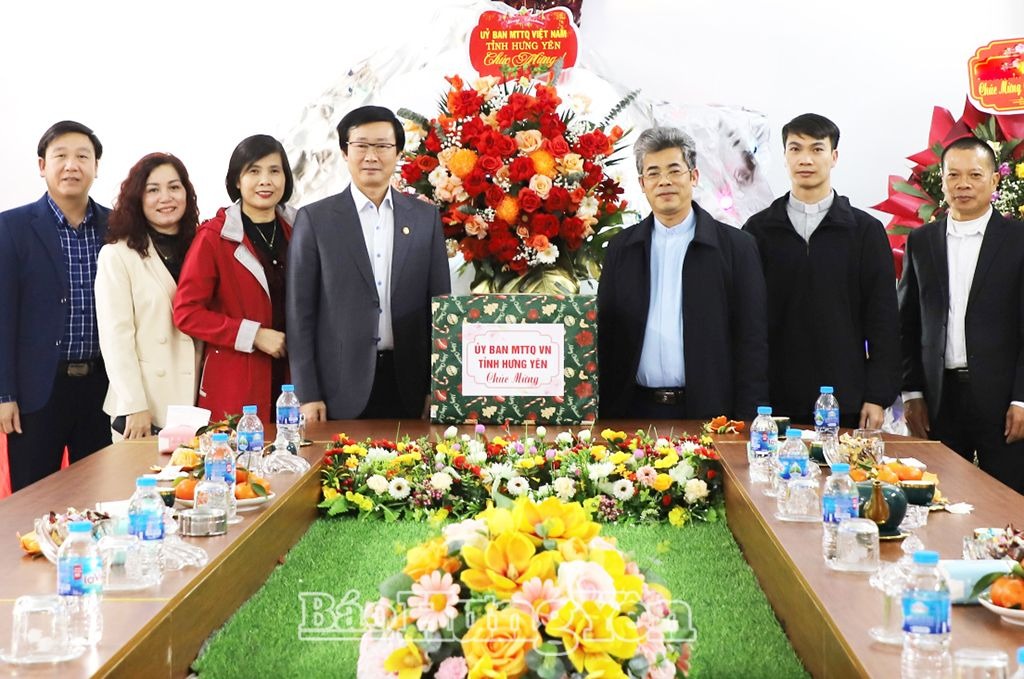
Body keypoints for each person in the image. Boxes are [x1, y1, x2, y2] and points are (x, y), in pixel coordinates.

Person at [287, 105, 451, 421]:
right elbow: (300, 315)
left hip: (410, 384)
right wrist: (307, 394)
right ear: (344, 152)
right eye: (361, 145)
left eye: (382, 146)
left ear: (398, 152)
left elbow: (440, 308)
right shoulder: (315, 219)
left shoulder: (424, 218)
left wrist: (438, 387)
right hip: (338, 388)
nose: (371, 156)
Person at [597, 126, 769, 421]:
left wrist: (747, 420)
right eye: (653, 173)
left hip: (710, 414)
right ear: (642, 183)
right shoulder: (621, 248)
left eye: (674, 170)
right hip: (632, 413)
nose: (664, 181)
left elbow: (752, 341)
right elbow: (605, 335)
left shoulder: (736, 247)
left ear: (694, 176)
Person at [742, 113, 900, 429]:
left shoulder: (864, 231)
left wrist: (877, 395)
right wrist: (748, 398)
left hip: (846, 399)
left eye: (817, 149)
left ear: (834, 156)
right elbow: (746, 321)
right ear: (784, 156)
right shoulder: (757, 231)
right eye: (795, 149)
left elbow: (883, 320)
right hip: (773, 401)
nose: (806, 159)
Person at [898, 136, 1024, 493]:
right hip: (940, 400)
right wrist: (911, 393)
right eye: (953, 175)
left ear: (994, 180)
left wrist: (1022, 399)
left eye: (974, 175)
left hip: (1003, 401)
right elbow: (907, 324)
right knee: (939, 497)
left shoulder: (1018, 239)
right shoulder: (921, 241)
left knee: (1008, 501)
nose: (963, 184)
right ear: (942, 180)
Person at [0, 121, 111, 490]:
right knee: (33, 501)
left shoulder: (116, 227)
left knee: (100, 497)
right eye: (60, 156)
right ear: (42, 165)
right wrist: (4, 394)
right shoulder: (11, 227)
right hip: (37, 393)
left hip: (101, 390)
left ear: (96, 166)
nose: (71, 165)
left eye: (82, 156)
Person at [174, 135, 297, 420]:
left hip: (293, 377)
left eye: (274, 171)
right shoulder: (214, 237)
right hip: (237, 381)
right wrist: (254, 335)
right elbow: (187, 313)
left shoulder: (302, 229)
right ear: (237, 181)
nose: (265, 181)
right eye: (254, 171)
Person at [95, 153, 201, 439]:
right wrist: (134, 405)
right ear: (137, 199)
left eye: (174, 187)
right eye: (153, 190)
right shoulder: (117, 255)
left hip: (197, 403)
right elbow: (116, 338)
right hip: (145, 407)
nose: (165, 197)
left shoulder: (202, 247)